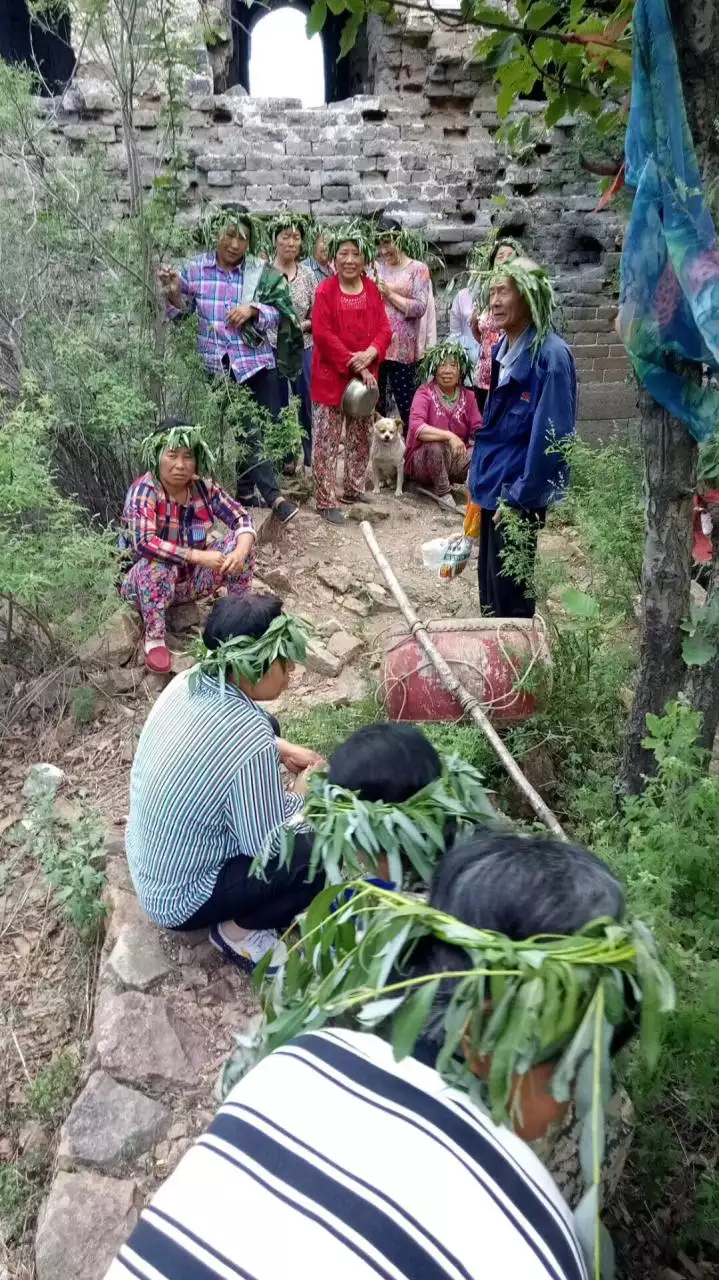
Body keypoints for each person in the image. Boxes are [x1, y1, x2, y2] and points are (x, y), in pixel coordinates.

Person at [104, 828, 640, 1280]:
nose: (576, 1103)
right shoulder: (539, 1245)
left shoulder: (300, 1061)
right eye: (575, 1069)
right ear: (483, 1033)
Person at [124, 593, 325, 971]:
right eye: (285, 661)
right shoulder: (247, 739)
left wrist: (277, 747)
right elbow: (267, 846)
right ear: (256, 666)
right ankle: (239, 930)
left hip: (150, 863)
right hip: (178, 899)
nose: (292, 671)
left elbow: (252, 737)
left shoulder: (187, 680)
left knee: (270, 726)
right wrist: (302, 794)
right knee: (315, 855)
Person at [157, 207, 302, 523]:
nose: (235, 244)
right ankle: (275, 496)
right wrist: (172, 293)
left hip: (257, 362)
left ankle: (245, 494)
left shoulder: (257, 271)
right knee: (246, 426)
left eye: (243, 238)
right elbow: (182, 316)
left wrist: (253, 310)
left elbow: (280, 313)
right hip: (218, 365)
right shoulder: (195, 270)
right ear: (216, 234)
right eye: (230, 235)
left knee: (257, 427)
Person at [469, 257, 576, 618]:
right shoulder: (503, 349)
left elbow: (551, 437)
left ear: (529, 298)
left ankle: (517, 664)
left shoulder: (551, 356)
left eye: (505, 292)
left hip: (516, 492)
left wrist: (518, 498)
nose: (495, 301)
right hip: (493, 483)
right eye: (493, 292)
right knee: (489, 588)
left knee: (511, 594)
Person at [120, 420, 256, 674]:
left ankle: (239, 617)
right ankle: (155, 638)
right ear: (157, 456)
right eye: (172, 456)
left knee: (242, 543)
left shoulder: (203, 487)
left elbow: (242, 519)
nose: (180, 465)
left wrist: (239, 551)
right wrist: (197, 556)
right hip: (143, 587)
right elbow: (144, 544)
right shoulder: (144, 490)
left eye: (187, 457)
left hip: (189, 583)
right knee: (159, 562)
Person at [311, 225, 392, 525]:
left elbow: (385, 328)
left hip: (365, 378)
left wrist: (372, 353)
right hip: (332, 375)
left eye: (355, 253)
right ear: (333, 258)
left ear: (364, 258)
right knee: (327, 440)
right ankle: (324, 498)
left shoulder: (370, 288)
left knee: (359, 435)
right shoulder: (325, 290)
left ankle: (355, 488)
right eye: (343, 253)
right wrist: (353, 363)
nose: (349, 259)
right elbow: (323, 335)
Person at [405, 342, 482, 512]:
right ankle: (443, 492)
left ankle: (477, 492)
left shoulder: (468, 396)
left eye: (453, 365)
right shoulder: (424, 393)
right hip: (423, 462)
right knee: (435, 446)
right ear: (434, 369)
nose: (447, 370)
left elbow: (478, 428)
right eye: (442, 365)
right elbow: (416, 427)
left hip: (454, 458)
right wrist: (449, 436)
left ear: (460, 370)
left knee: (483, 449)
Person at [374, 215, 431, 427]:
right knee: (375, 406)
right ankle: (377, 457)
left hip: (403, 352)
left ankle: (411, 454)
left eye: (387, 241)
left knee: (407, 406)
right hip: (376, 349)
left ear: (400, 239)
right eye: (379, 243)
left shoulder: (418, 269)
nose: (383, 249)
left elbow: (419, 307)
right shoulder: (376, 268)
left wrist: (389, 293)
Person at [272, 214, 316, 471]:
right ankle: (285, 457)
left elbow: (317, 313)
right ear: (276, 240)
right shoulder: (265, 273)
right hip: (272, 345)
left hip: (303, 344)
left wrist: (300, 326)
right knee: (277, 401)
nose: (291, 243)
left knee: (306, 399)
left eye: (296, 237)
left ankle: (310, 453)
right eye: (285, 237)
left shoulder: (308, 274)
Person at [470, 237, 521, 411]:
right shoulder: (485, 294)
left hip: (506, 372)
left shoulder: (521, 295)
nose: (505, 259)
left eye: (510, 255)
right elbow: (479, 332)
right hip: (483, 374)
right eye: (500, 256)